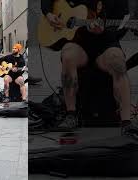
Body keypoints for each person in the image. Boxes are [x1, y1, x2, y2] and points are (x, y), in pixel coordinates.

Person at [41, 0, 138, 135]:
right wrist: (48, 14)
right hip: (79, 42)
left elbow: (121, 28)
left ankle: (126, 122)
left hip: (106, 44)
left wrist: (104, 31)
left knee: (118, 62)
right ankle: (71, 114)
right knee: (68, 55)